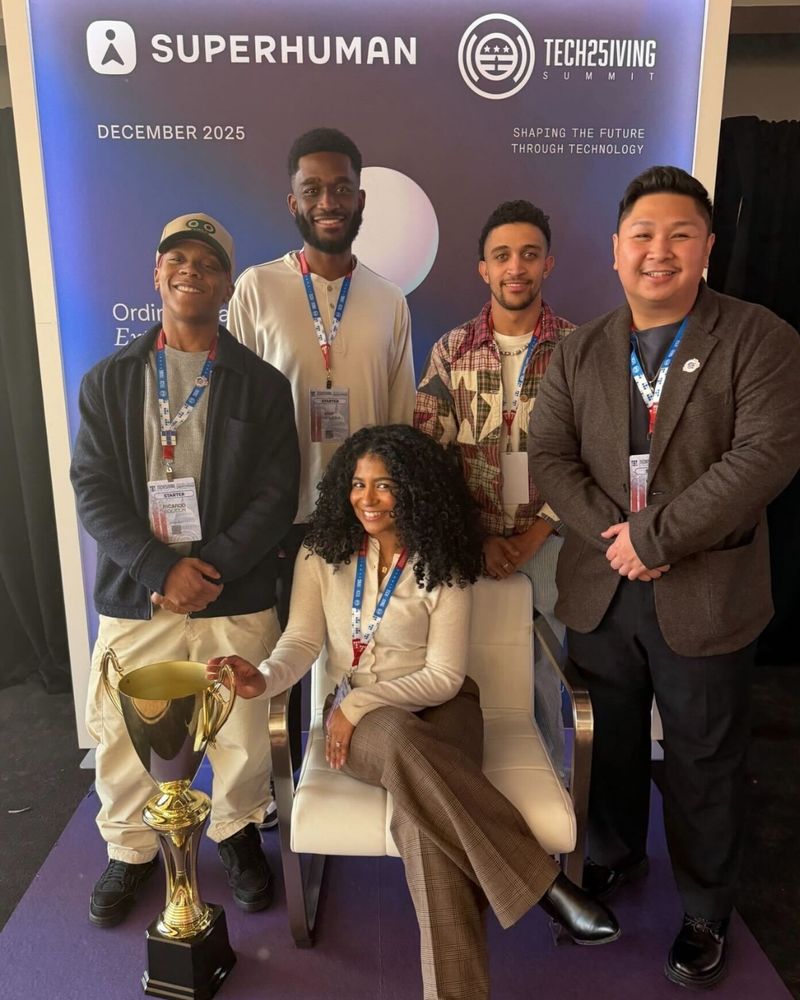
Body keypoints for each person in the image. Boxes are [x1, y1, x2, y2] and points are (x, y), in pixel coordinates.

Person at [208, 424, 619, 1000]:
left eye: (384, 485)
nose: (367, 498)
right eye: (357, 484)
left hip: (444, 705)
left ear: (415, 490)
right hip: (372, 722)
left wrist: (357, 702)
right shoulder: (320, 554)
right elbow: (301, 642)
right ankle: (545, 882)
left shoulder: (442, 558)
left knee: (420, 821)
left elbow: (445, 676)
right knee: (402, 747)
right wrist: (265, 677)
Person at [528, 166, 800, 990]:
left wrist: (656, 536)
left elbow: (765, 458)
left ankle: (708, 908)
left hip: (705, 592)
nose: (659, 252)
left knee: (704, 757)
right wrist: (616, 540)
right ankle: (611, 855)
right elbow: (549, 456)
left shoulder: (760, 338)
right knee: (607, 743)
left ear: (708, 247)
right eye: (642, 236)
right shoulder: (578, 350)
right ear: (615, 250)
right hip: (602, 586)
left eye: (680, 235)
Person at [70, 213, 300, 927]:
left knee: (242, 722)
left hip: (232, 593)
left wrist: (211, 568)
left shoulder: (260, 384)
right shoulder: (109, 381)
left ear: (227, 284)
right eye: (177, 259)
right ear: (156, 274)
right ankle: (132, 848)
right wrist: (158, 568)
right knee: (118, 725)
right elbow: (93, 487)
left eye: (206, 262)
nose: (190, 271)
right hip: (140, 593)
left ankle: (235, 832)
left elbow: (277, 491)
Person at [228, 126, 416, 629]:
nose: (328, 202)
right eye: (313, 190)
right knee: (287, 660)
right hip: (279, 516)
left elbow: (400, 420)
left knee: (363, 652)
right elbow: (235, 416)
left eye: (341, 188)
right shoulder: (256, 288)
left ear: (360, 198)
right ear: (294, 202)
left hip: (368, 515)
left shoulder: (389, 299)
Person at [414, 200, 574, 769]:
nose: (516, 267)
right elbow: (429, 464)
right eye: (501, 255)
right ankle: (476, 789)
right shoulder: (450, 351)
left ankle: (551, 787)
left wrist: (534, 536)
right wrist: (477, 538)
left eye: (529, 255)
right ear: (483, 268)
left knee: (544, 675)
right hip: (467, 545)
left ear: (548, 264)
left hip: (552, 547)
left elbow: (592, 459)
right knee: (466, 668)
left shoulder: (578, 352)